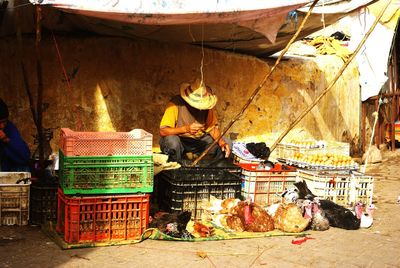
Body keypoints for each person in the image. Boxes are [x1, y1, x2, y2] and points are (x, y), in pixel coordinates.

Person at [159, 78, 232, 162]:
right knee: (171, 141)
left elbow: (212, 129)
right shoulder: (175, 104)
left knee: (227, 142)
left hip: (199, 141)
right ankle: (176, 169)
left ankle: (206, 169)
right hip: (180, 140)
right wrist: (186, 129)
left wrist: (221, 142)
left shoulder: (206, 106)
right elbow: (163, 131)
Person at [0, 98, 31, 172]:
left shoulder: (9, 128)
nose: (2, 126)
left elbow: (25, 156)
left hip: (6, 171)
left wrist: (6, 139)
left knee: (23, 169)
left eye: (4, 122)